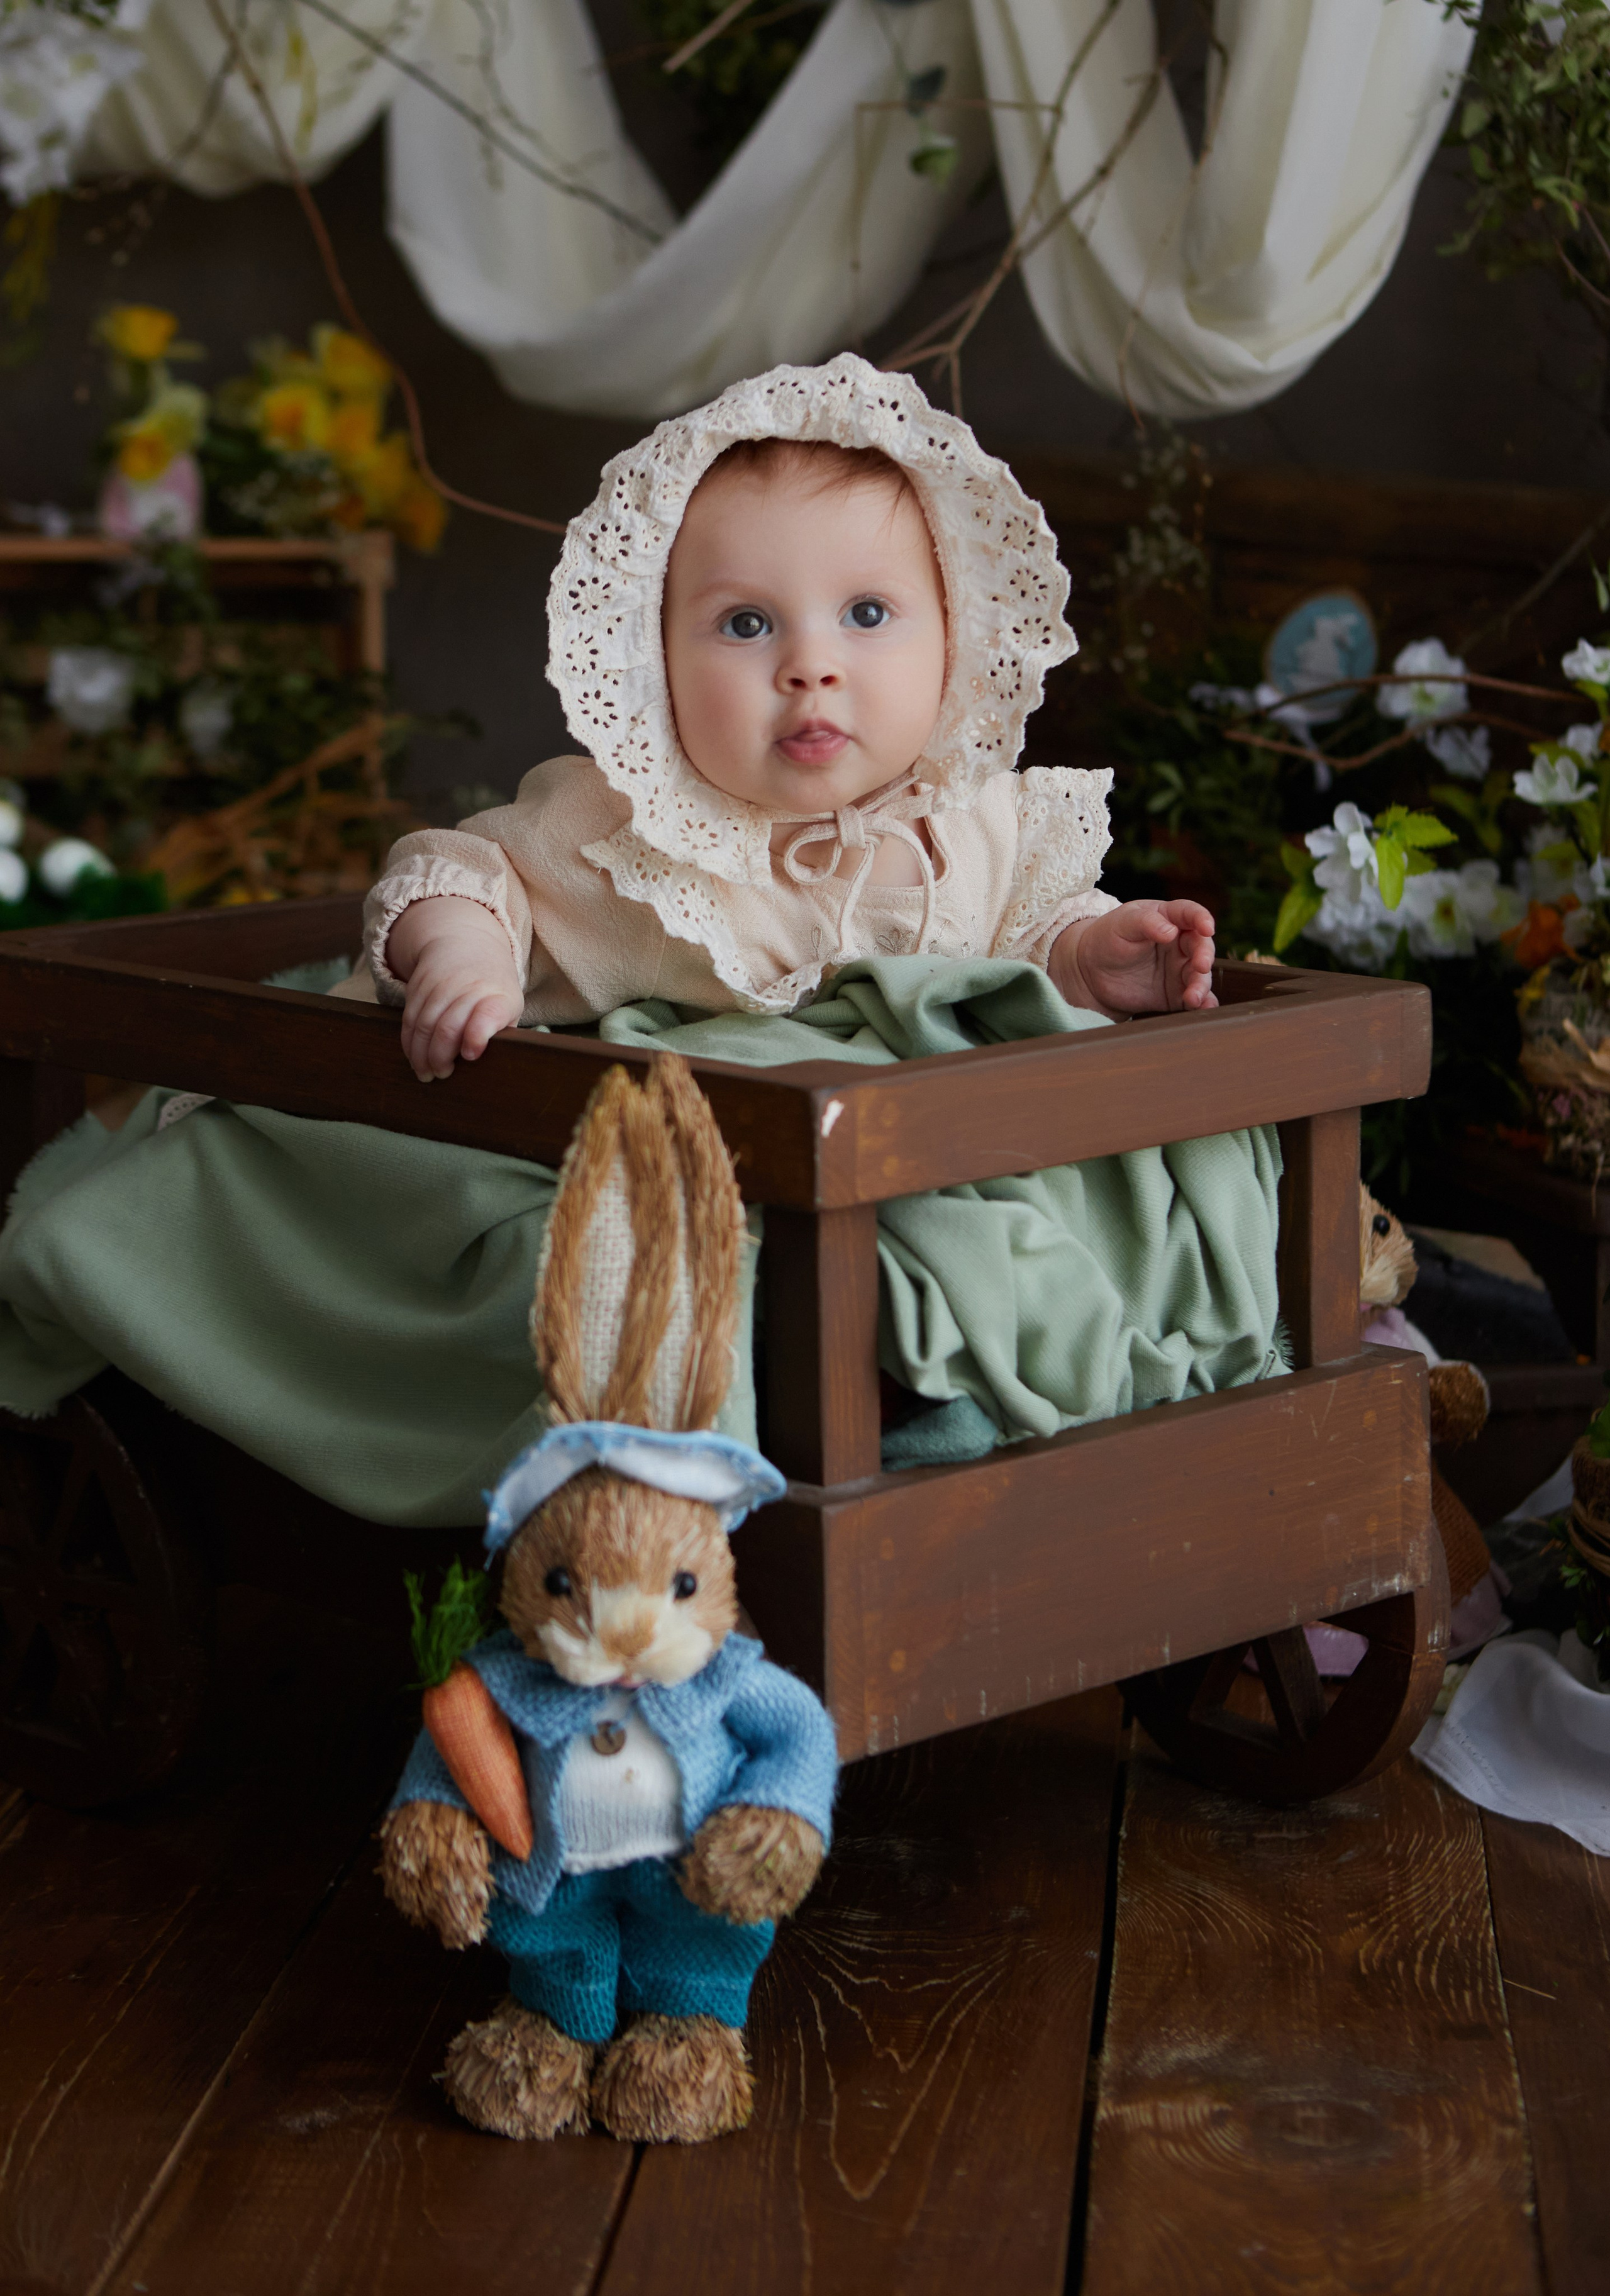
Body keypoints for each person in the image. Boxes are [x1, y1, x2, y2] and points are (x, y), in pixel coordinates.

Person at [347, 354, 1216, 1079]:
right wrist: (467, 951)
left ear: (955, 640)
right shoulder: (632, 838)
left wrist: (1088, 956)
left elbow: (1022, 943)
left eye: (868, 614)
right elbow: (457, 867)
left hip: (916, 1151)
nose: (810, 667)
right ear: (655, 663)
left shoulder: (984, 821)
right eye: (747, 624)